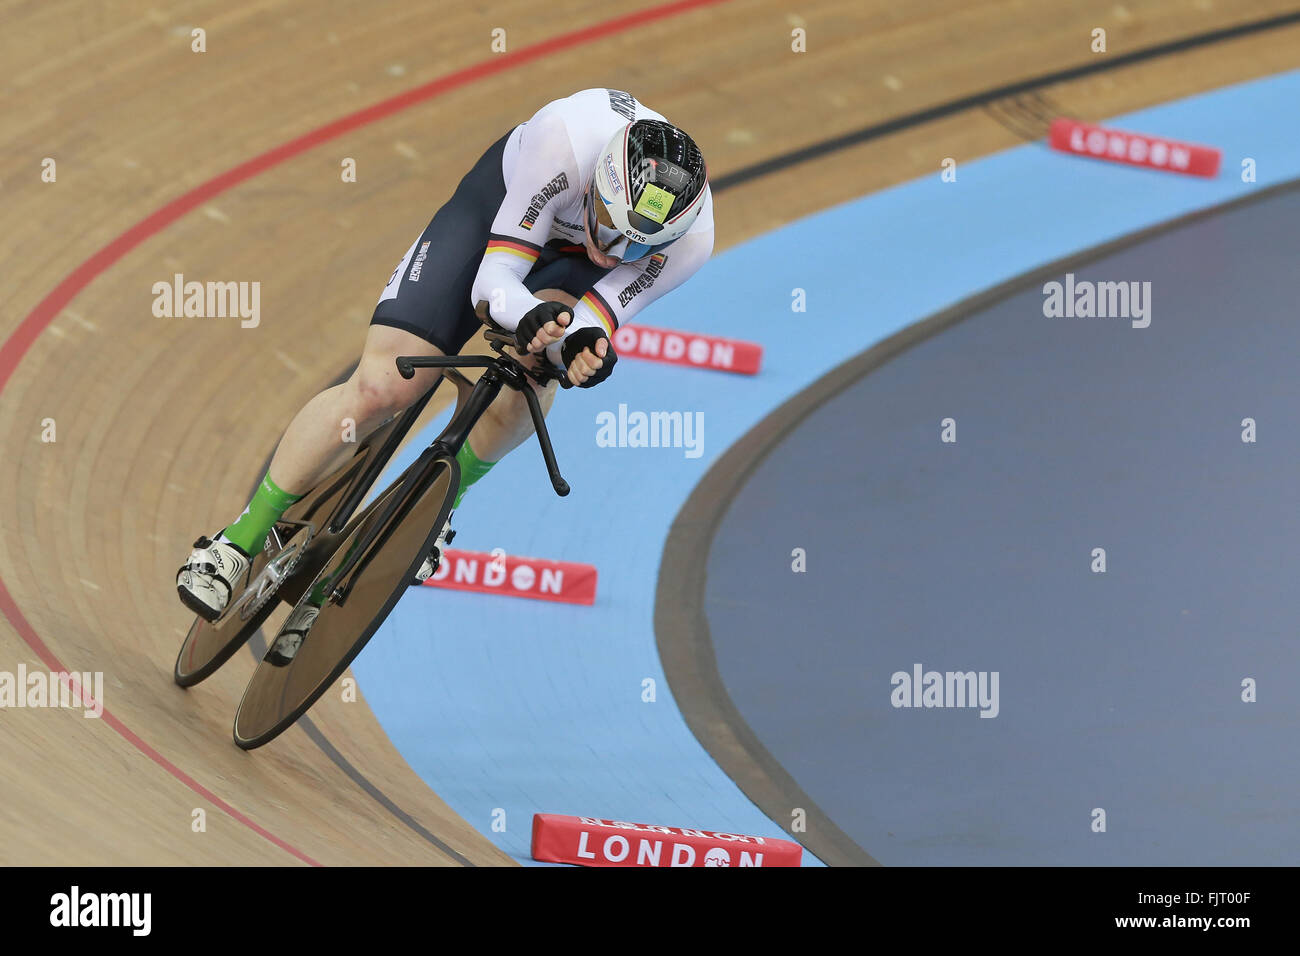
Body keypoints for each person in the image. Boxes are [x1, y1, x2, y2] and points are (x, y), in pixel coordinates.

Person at [176, 88, 714, 626]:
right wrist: (524, 314)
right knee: (383, 387)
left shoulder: (689, 242)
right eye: (613, 227)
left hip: (571, 274)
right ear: (600, 182)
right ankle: (236, 543)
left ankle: (440, 501)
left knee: (534, 380)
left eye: (638, 248)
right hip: (500, 214)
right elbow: (494, 282)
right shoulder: (563, 144)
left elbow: (597, 318)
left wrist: (579, 351)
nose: (616, 252)